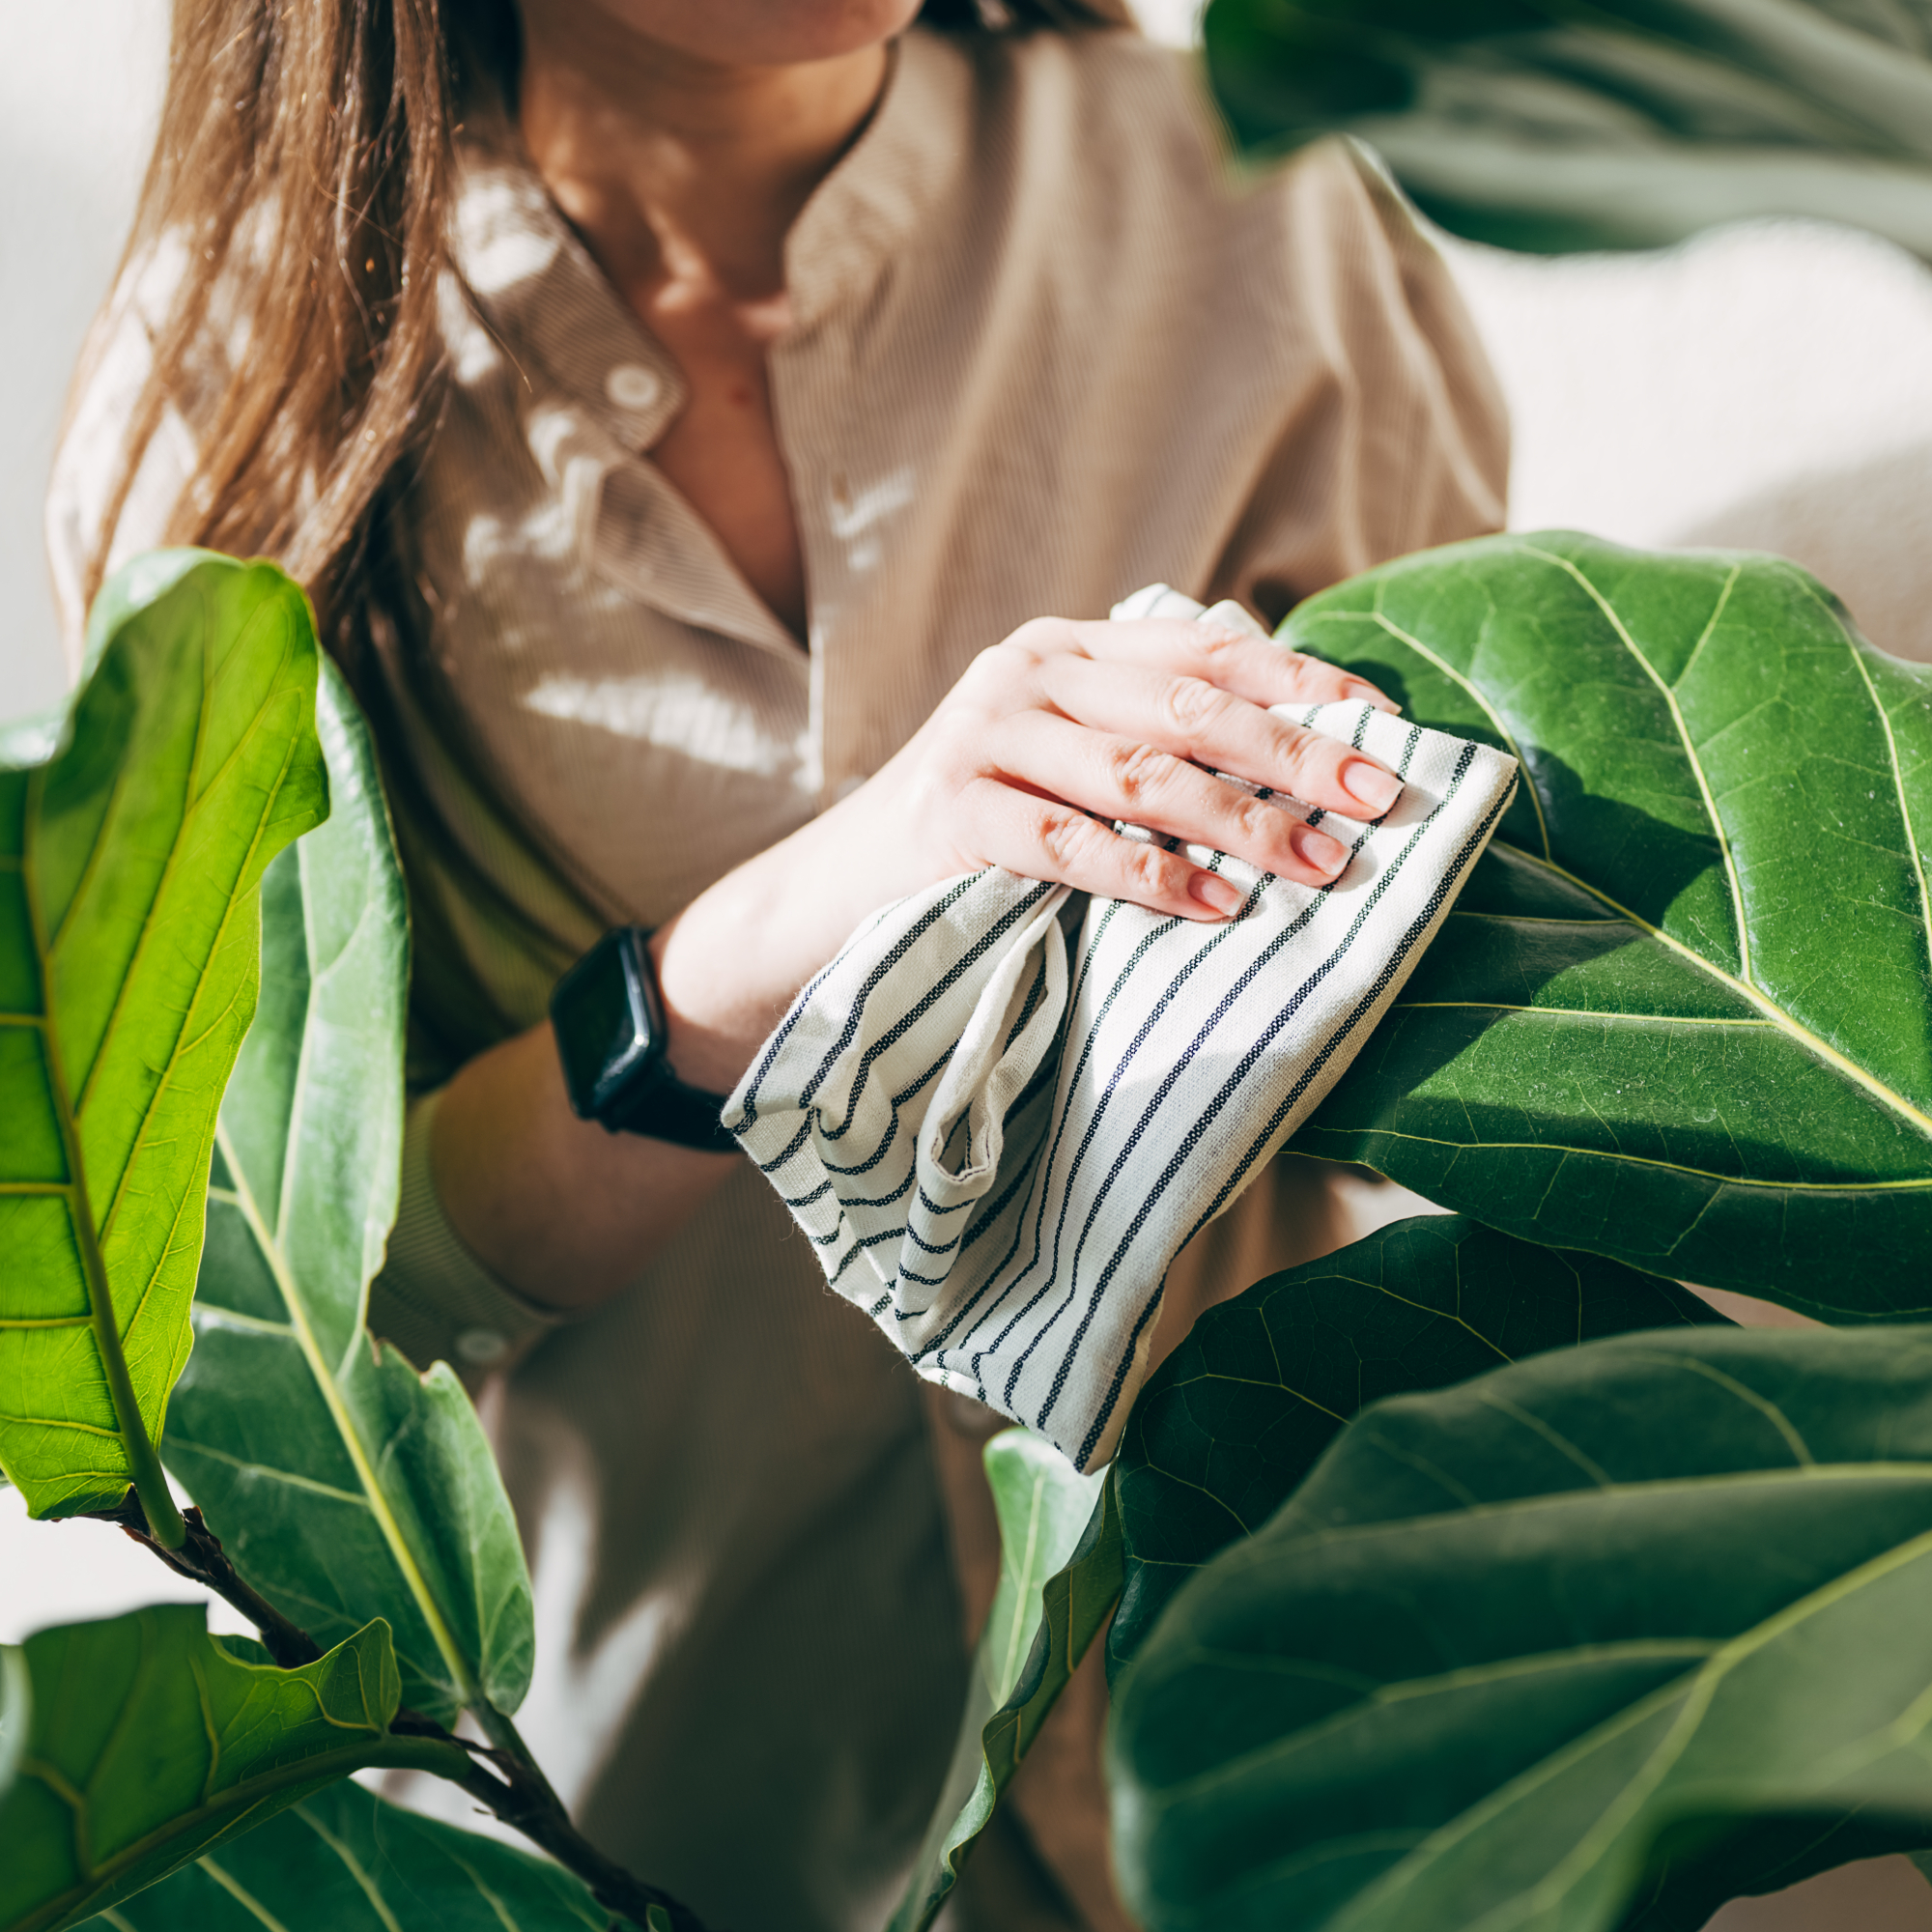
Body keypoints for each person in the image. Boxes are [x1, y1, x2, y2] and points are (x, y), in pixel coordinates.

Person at [50, 1, 1507, 1924]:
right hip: (685, 1799)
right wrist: (715, 986)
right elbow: (281, 1319)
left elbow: (1476, 1009)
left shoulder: (1257, 203)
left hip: (1297, 1700)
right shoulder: (243, 401)